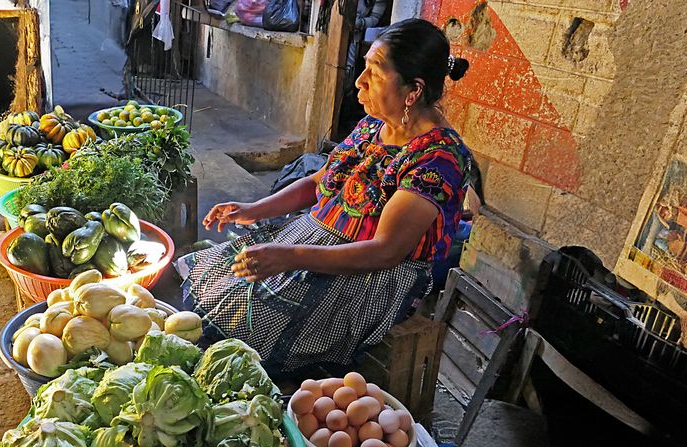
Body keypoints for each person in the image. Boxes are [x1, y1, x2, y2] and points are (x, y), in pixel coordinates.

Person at [176, 18, 472, 373]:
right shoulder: (375, 126)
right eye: (364, 67)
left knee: (246, 329)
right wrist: (254, 210)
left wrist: (289, 257)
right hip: (316, 239)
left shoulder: (438, 159)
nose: (360, 81)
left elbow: (384, 251)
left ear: (414, 89)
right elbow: (319, 182)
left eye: (375, 74)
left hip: (371, 274)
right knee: (218, 286)